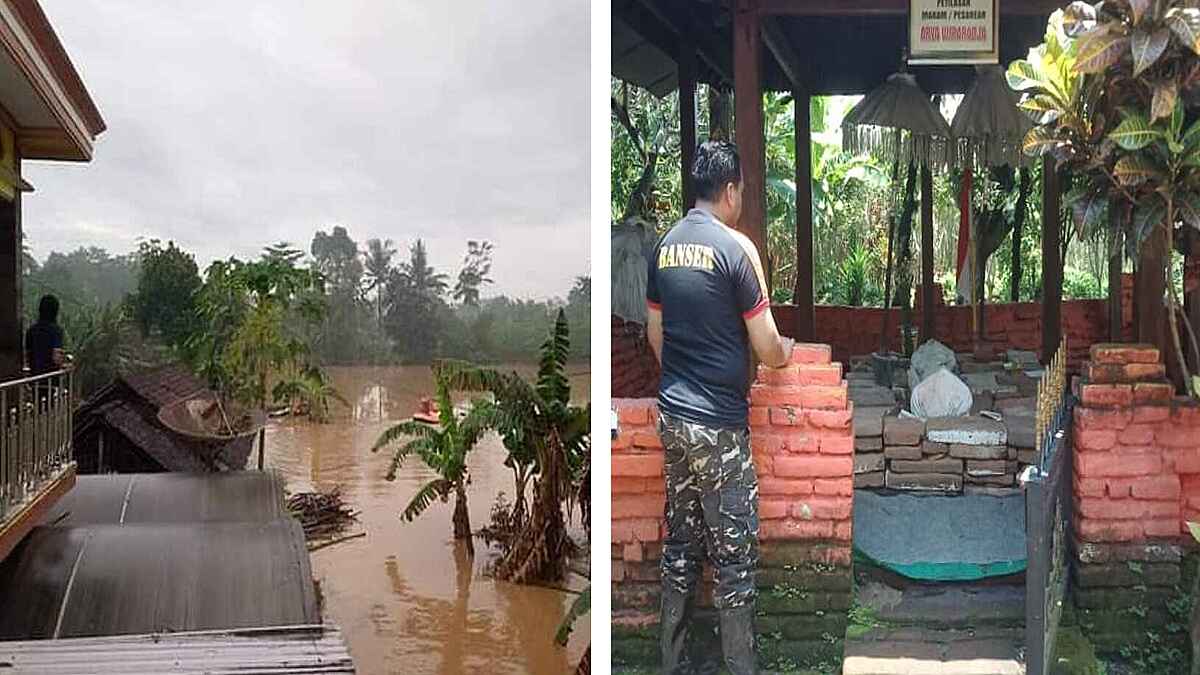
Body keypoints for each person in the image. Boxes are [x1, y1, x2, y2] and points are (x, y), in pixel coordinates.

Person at [645, 140, 794, 675]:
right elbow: (768, 347)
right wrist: (788, 353)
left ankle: (673, 662)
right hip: (719, 428)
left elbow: (655, 337)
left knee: (681, 546)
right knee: (733, 559)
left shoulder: (664, 248)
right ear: (730, 190)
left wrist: (683, 380)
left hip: (672, 419)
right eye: (742, 192)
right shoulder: (735, 251)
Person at [26, 294, 65, 376]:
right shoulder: (56, 331)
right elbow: (56, 358)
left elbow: (28, 354)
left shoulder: (31, 330)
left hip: (34, 379)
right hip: (51, 379)